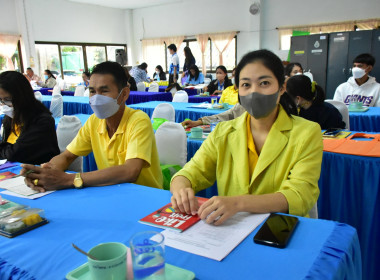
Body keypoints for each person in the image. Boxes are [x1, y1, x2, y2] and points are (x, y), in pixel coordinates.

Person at [171, 49, 323, 225]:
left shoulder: (307, 132)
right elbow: (191, 172)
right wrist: (181, 187)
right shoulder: (223, 132)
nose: (254, 92)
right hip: (230, 230)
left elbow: (300, 194)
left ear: (282, 88)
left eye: (264, 83)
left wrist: (238, 203)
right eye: (245, 85)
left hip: (280, 229)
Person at [21, 61, 163, 192]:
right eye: (92, 91)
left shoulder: (138, 120)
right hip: (111, 192)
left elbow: (130, 171)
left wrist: (70, 179)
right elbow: (67, 156)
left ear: (124, 94)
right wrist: (45, 173)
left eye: (104, 91)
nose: (96, 97)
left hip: (143, 196)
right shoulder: (94, 121)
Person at [0, 71, 60, 164]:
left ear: (22, 96)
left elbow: (14, 153)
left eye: (7, 100)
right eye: (0, 100)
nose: (4, 105)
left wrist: (4, 149)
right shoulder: (10, 118)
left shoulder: (42, 121)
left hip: (36, 172)